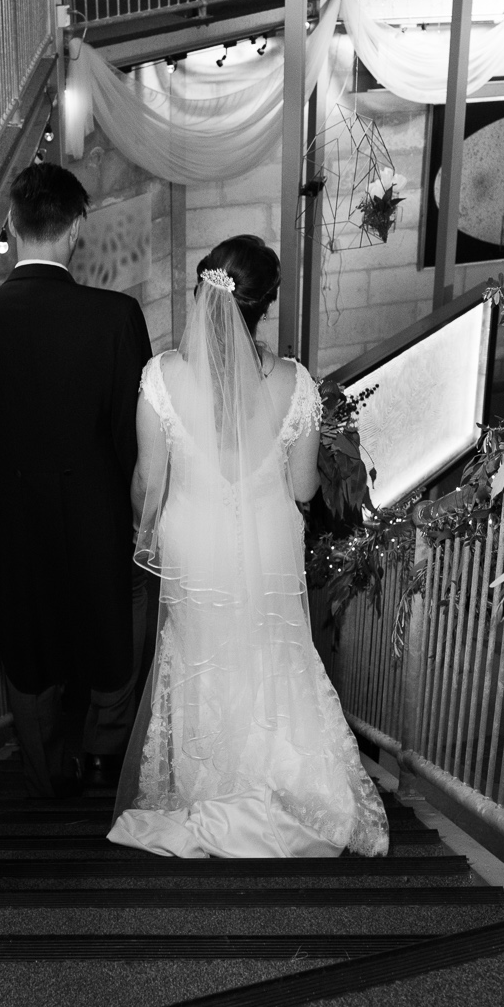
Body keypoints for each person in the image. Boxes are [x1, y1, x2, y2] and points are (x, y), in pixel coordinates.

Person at [108, 237, 389, 860]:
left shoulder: (160, 377)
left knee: (202, 656)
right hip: (266, 536)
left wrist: (147, 525)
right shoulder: (295, 382)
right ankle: (282, 783)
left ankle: (207, 786)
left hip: (192, 540)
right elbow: (302, 486)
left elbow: (145, 484)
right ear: (267, 304)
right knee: (269, 653)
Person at [0, 164, 152, 798]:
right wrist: (139, 512)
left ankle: (48, 772)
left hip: (8, 516)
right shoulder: (117, 316)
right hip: (97, 510)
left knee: (24, 638)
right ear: (77, 228)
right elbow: (132, 431)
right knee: (115, 618)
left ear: (10, 225)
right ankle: (107, 751)